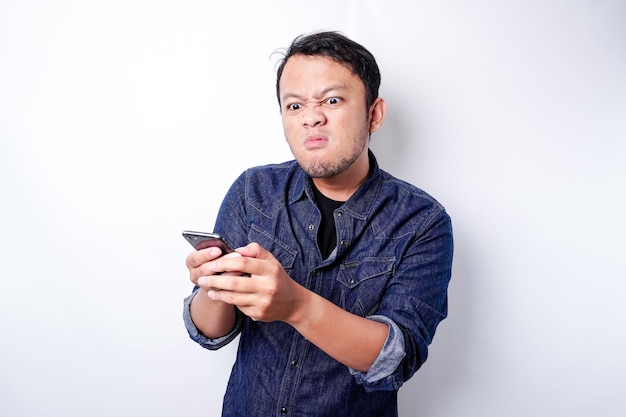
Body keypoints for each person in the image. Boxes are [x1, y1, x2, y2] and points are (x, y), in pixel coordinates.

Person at [183, 30, 453, 417]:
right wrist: (212, 284)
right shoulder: (253, 191)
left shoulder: (422, 222)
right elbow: (210, 333)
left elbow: (395, 357)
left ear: (373, 114)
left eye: (332, 100)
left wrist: (296, 306)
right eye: (294, 106)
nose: (312, 117)